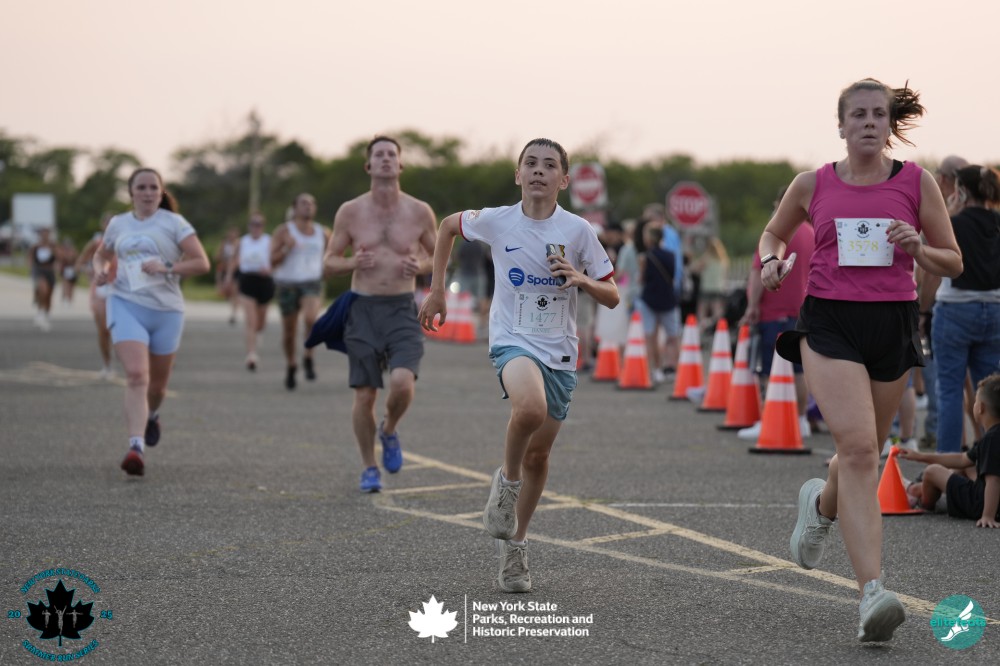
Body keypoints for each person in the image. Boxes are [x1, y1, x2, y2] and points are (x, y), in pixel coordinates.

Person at [759, 79, 962, 642]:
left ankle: (821, 507)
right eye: (859, 114)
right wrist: (771, 262)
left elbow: (953, 261)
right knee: (857, 451)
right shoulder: (812, 183)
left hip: (891, 323)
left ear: (889, 124)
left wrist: (918, 247)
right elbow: (772, 235)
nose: (869, 122)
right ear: (841, 125)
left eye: (878, 114)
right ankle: (872, 593)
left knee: (864, 452)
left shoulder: (916, 182)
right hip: (829, 321)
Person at [418, 138, 619, 593]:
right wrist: (436, 290)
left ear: (563, 180)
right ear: (517, 174)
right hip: (512, 340)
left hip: (560, 351)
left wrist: (580, 277)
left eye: (549, 165)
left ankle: (516, 546)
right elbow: (447, 227)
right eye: (530, 163)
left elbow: (612, 295)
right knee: (528, 409)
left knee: (539, 455)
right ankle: (506, 485)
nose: (538, 171)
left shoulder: (578, 231)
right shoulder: (497, 220)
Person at [324, 136, 437, 492]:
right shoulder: (350, 211)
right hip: (363, 308)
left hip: (402, 308)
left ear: (400, 165)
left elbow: (438, 256)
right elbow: (329, 262)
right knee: (365, 394)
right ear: (368, 166)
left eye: (391, 154)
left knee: (403, 382)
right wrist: (352, 262)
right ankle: (369, 466)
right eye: (379, 155)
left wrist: (421, 265)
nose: (386, 159)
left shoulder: (419, 211)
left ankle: (388, 429)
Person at [92, 167, 210, 476]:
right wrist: (101, 270)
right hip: (125, 303)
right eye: (141, 187)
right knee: (135, 375)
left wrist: (167, 266)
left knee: (157, 388)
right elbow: (101, 255)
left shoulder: (175, 223)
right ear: (131, 192)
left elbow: (202, 263)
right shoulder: (118, 223)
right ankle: (136, 447)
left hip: (166, 311)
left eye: (153, 188)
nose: (147, 193)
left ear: (161, 192)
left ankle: (152, 415)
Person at [921, 165, 1000, 454]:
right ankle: (991, 461)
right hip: (994, 309)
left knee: (950, 391)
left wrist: (922, 310)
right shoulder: (997, 222)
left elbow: (932, 268)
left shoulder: (953, 223)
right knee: (991, 394)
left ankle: (948, 462)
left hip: (955, 310)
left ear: (961, 191)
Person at [738, 190, 815, 441]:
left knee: (770, 370)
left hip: (774, 310)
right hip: (801, 310)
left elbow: (759, 272)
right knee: (798, 369)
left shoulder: (776, 234)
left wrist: (752, 306)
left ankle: (770, 421)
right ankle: (801, 421)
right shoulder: (811, 233)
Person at [899, 373, 1000, 527]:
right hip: (990, 499)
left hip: (980, 504)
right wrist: (919, 456)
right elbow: (962, 459)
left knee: (932, 471)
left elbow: (994, 480)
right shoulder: (992, 437)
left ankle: (922, 500)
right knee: (968, 466)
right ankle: (917, 488)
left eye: (975, 401)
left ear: (980, 408)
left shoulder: (991, 439)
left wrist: (988, 516)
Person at [917, 155, 970, 450]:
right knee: (979, 386)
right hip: (989, 306)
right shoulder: (992, 218)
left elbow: (931, 272)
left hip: (949, 308)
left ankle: (946, 445)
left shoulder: (945, 220)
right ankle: (982, 445)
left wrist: (923, 311)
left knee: (946, 384)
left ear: (945, 179)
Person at [271, 193, 330, 390]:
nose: (308, 206)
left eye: (312, 203)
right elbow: (270, 260)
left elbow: (332, 256)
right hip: (288, 284)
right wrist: (286, 249)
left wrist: (329, 269)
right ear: (294, 208)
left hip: (312, 283)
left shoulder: (323, 233)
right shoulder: (284, 231)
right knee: (289, 332)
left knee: (311, 319)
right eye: (304, 203)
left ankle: (308, 356)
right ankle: (291, 364)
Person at [228, 212, 275, 371]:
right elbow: (234, 260)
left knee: (261, 322)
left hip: (265, 281)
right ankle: (251, 354)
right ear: (249, 226)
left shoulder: (269, 241)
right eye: (253, 224)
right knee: (251, 321)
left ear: (263, 226)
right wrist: (228, 277)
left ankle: (257, 334)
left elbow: (277, 259)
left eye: (259, 224)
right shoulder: (242, 242)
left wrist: (270, 269)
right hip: (247, 279)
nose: (256, 227)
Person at [635, 225, 678, 384]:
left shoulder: (644, 257)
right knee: (672, 336)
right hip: (668, 300)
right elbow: (673, 276)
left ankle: (656, 369)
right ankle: (671, 368)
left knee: (651, 337)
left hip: (649, 300)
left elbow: (641, 279)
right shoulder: (671, 255)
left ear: (649, 238)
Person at [76, 214, 116, 378]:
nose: (110, 226)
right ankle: (107, 365)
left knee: (119, 329)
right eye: (107, 223)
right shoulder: (96, 243)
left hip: (121, 288)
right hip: (101, 289)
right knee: (103, 329)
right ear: (102, 225)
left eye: (113, 222)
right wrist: (88, 270)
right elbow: (80, 262)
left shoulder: (127, 240)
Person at [696, 236, 731, 335]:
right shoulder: (723, 260)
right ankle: (718, 329)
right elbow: (725, 275)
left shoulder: (706, 258)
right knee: (717, 312)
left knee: (702, 310)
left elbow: (696, 269)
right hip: (718, 287)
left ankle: (701, 329)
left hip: (706, 287)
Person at [28, 227, 58, 331]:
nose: (45, 236)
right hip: (39, 270)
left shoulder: (53, 246)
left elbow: (59, 257)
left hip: (50, 271)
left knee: (49, 294)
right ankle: (40, 311)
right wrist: (31, 269)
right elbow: (30, 258)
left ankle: (46, 312)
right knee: (43, 290)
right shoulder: (36, 247)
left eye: (47, 234)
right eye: (43, 234)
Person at [215, 226, 240, 325]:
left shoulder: (239, 243)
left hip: (235, 270)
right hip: (225, 269)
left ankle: (233, 314)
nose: (232, 235)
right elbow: (217, 256)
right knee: (219, 274)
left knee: (235, 291)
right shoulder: (224, 244)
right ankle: (221, 288)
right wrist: (224, 257)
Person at [58, 237, 79, 304]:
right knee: (65, 284)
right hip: (65, 270)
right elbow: (61, 260)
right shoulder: (62, 251)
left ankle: (69, 299)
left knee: (71, 286)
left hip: (72, 270)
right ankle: (64, 298)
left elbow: (76, 260)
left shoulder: (74, 251)